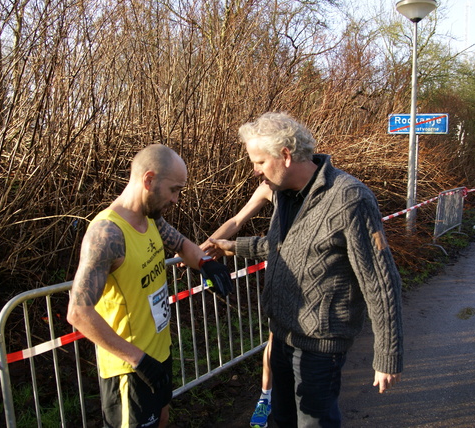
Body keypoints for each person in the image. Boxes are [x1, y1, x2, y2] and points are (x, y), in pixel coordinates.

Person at [209, 112, 404, 427]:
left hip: (319, 347)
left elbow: (380, 282)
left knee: (314, 423)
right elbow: (285, 248)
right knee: (281, 420)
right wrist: (233, 247)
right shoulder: (284, 195)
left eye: (259, 162)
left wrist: (387, 356)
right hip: (282, 337)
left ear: (285, 156)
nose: (255, 171)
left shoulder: (349, 197)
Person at [67, 144, 233, 428]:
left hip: (160, 353)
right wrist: (139, 360)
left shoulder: (150, 220)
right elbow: (78, 312)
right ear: (149, 180)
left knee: (162, 417)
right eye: (174, 190)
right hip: (130, 369)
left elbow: (181, 244)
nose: (177, 199)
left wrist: (207, 264)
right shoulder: (107, 234)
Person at [199, 181, 275, 428]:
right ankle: (266, 398)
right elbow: (236, 220)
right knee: (275, 341)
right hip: (281, 275)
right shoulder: (269, 186)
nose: (258, 169)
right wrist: (202, 249)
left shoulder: (308, 184)